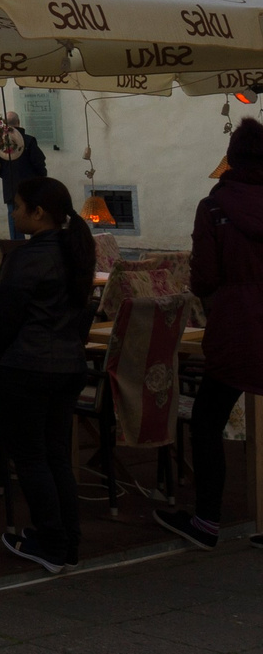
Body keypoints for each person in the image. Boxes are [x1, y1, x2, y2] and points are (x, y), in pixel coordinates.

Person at [155, 118, 263, 551]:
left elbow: (204, 277)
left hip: (237, 326)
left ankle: (206, 521)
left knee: (207, 422)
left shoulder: (215, 207)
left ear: (231, 159)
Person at [0, 175, 96, 572]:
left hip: (26, 367)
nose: (13, 213)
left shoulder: (27, 258)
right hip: (68, 365)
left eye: (17, 206)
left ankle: (51, 542)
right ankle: (68, 540)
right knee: (56, 456)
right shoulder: (75, 251)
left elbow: (2, 317)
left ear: (39, 212)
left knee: (31, 458)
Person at [0, 112, 48, 213]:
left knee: (14, 216)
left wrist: (6, 175)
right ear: (18, 122)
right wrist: (41, 177)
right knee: (31, 216)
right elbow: (38, 162)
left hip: (10, 188)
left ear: (4, 124)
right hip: (30, 187)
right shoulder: (29, 141)